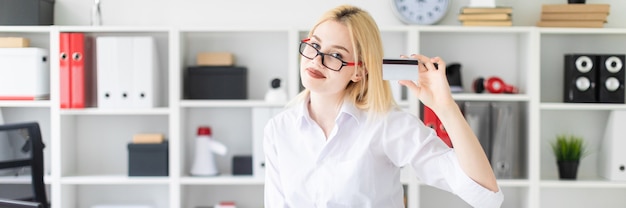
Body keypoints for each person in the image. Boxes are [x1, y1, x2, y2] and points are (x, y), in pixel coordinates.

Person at [263, 4, 504, 208]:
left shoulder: (387, 124)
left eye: (335, 56)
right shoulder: (278, 129)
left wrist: (445, 107)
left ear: (359, 71)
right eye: (314, 46)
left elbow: (485, 196)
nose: (316, 60)